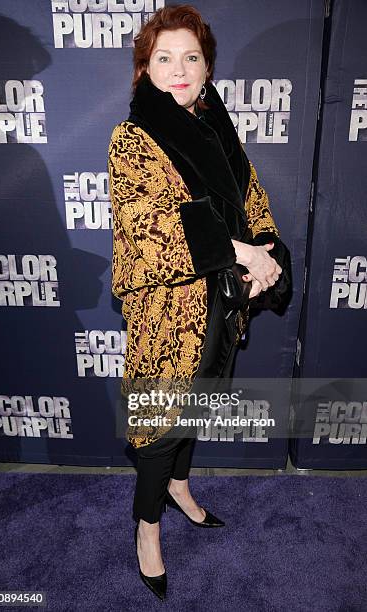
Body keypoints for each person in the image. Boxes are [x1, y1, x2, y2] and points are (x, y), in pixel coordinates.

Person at [108, 4, 291, 601]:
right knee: (159, 428)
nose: (179, 69)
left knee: (196, 407)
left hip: (220, 304)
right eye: (164, 58)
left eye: (191, 57)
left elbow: (253, 200)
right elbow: (153, 229)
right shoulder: (132, 139)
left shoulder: (219, 131)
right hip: (168, 314)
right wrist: (245, 253)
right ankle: (147, 526)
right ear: (145, 70)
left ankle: (182, 488)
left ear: (207, 67)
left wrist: (267, 257)